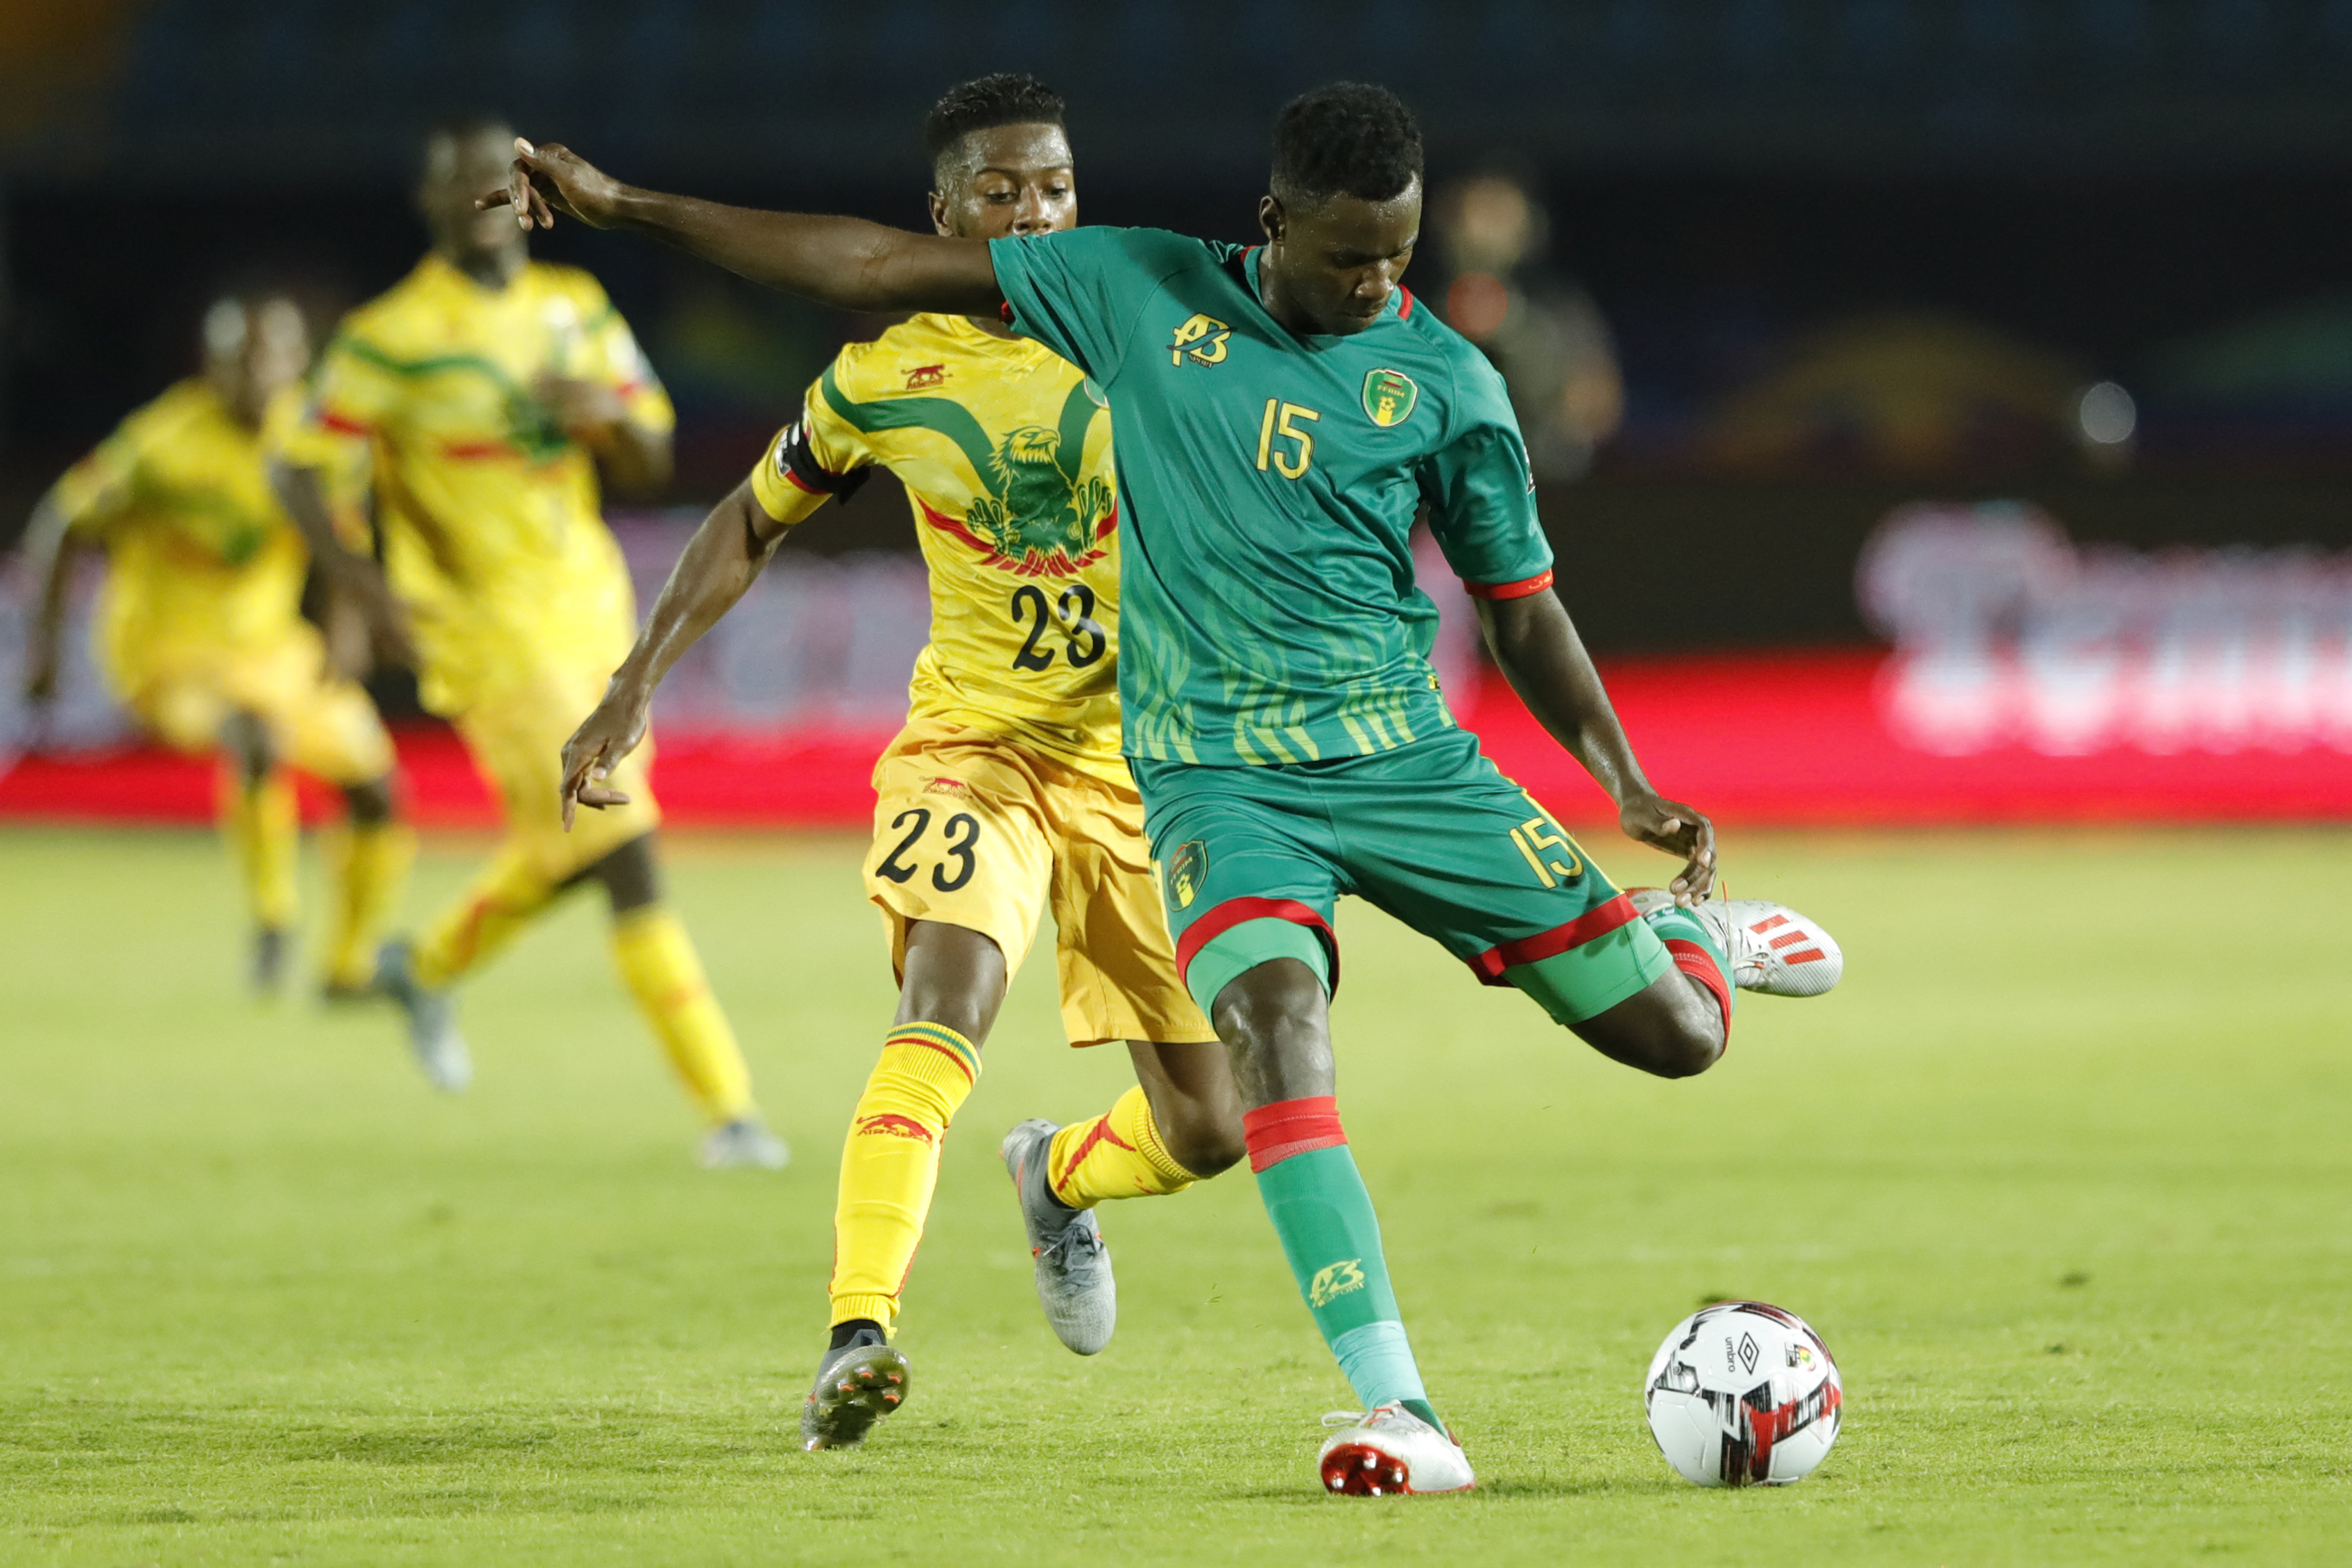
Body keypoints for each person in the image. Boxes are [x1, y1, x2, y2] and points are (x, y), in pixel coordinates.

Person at [488, 80, 1845, 1494]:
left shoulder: (1402, 370)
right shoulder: (1072, 310)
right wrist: (625, 207)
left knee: (1554, 1060)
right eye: (1348, 257)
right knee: (1172, 1012)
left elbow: (1520, 601)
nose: (1379, 281)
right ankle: (1342, 1399)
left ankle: (1675, 944)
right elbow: (852, 284)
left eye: (1399, 252)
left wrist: (1620, 775)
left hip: (1292, 757)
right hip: (1121, 762)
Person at [556, 74, 1245, 1452]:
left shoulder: (1156, 335)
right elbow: (749, 524)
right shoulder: (882, 375)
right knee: (948, 994)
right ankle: (857, 1331)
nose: (1035, 211)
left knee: (1215, 1124)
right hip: (972, 748)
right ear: (945, 215)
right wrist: (634, 681)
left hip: (1140, 769)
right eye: (1001, 191)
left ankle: (1054, 1175)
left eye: (1053, 185)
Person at [268, 117, 784, 1170]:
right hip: (483, 629)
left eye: (502, 179)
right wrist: (362, 586)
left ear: (533, 192)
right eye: (460, 182)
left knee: (569, 845)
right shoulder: (391, 336)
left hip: (590, 611)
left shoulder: (576, 311)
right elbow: (295, 466)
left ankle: (428, 961)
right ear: (428, 203)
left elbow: (648, 457)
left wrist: (607, 414)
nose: (485, 197)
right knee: (623, 847)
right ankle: (730, 1113)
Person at [21, 292, 411, 997]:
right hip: (169, 661)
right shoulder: (160, 444)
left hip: (273, 655)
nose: (257, 373)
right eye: (240, 359)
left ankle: (348, 966)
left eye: (273, 357)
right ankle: (274, 917)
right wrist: (44, 655)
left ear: (299, 362)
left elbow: (339, 545)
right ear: (212, 368)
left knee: (379, 788)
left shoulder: (316, 441)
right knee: (253, 735)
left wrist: (345, 632)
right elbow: (61, 526)